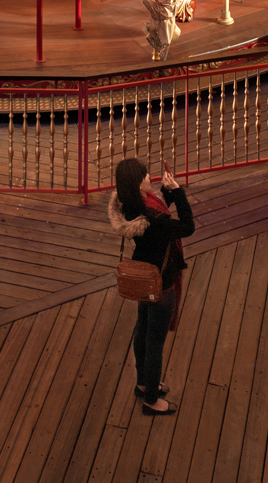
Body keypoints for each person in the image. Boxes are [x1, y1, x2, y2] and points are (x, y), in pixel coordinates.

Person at [110, 157, 194, 415]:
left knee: (142, 329)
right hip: (161, 282)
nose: (150, 178)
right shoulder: (154, 218)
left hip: (143, 278)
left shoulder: (130, 206)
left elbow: (159, 218)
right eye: (145, 176)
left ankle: (143, 383)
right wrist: (178, 193)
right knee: (155, 343)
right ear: (137, 184)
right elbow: (186, 227)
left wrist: (167, 194)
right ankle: (151, 400)